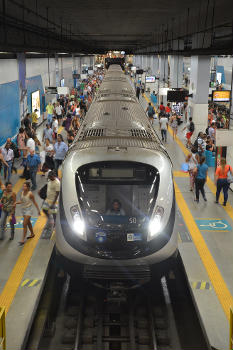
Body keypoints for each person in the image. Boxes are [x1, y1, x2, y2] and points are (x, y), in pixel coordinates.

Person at [42, 170, 60, 237]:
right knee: (44, 209)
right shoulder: (49, 180)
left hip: (53, 200)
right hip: (48, 199)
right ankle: (50, 219)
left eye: (50, 177)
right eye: (49, 177)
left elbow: (57, 193)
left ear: (54, 176)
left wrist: (53, 203)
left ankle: (55, 224)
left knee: (54, 213)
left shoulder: (57, 183)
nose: (49, 178)